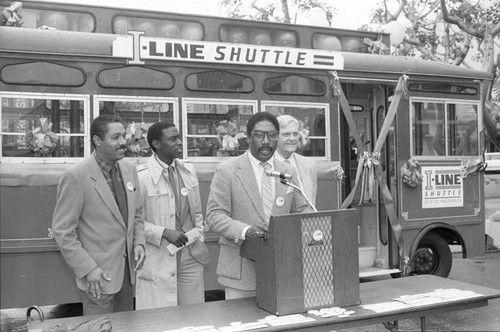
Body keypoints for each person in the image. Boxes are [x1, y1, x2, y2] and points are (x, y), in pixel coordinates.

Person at [206, 112, 311, 299]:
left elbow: (301, 210)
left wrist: (316, 224)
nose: (266, 141)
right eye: (259, 135)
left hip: (281, 269)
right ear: (248, 137)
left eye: (272, 135)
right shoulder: (227, 170)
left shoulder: (287, 170)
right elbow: (214, 215)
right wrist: (246, 231)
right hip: (240, 272)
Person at [52, 114, 146, 315]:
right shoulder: (76, 176)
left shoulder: (130, 170)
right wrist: (88, 269)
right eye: (116, 137)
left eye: (124, 136)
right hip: (98, 278)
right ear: (97, 140)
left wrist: (139, 242)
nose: (123, 143)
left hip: (127, 276)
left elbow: (137, 214)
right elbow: (63, 231)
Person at [136, 122, 209, 310]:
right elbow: (132, 223)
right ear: (157, 144)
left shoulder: (188, 170)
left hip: (190, 256)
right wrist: (163, 232)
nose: (179, 142)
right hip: (158, 257)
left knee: (193, 316)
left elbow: (197, 213)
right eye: (173, 139)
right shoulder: (141, 177)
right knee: (159, 320)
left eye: (179, 137)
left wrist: (198, 237)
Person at [275, 114, 318, 206]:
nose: (292, 139)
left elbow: (311, 201)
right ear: (275, 136)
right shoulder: (265, 164)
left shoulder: (309, 165)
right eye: (286, 134)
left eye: (295, 134)